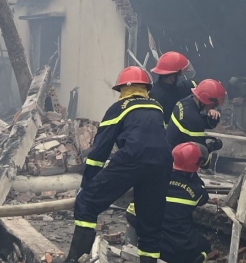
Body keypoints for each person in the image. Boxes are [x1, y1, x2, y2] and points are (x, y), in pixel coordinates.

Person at [60, 66, 173, 263]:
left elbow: (99, 151)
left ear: (122, 89)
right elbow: (156, 138)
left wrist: (87, 185)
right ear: (146, 88)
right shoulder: (157, 107)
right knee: (150, 225)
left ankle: (75, 259)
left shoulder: (118, 108)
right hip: (162, 163)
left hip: (132, 158)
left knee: (87, 204)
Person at [126, 142, 211, 263]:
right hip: (180, 249)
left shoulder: (154, 180)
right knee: (205, 246)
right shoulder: (196, 190)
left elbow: (131, 214)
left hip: (151, 246)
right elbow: (204, 197)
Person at [166, 79, 227, 163]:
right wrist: (211, 147)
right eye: (214, 104)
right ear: (207, 100)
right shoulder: (194, 119)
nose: (215, 107)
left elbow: (200, 122)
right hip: (176, 161)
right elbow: (201, 159)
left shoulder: (185, 102)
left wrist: (211, 117)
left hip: (170, 152)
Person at [149, 51, 196, 122]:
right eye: (179, 75)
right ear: (172, 77)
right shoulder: (157, 97)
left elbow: (190, 86)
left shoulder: (174, 89)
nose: (179, 78)